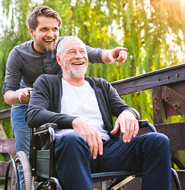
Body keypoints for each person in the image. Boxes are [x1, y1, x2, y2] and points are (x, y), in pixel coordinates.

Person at [25, 36, 172, 190]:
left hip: (106, 150)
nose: (79, 56)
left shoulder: (101, 85)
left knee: (158, 141)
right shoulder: (46, 82)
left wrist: (128, 113)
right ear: (60, 60)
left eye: (82, 52)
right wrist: (74, 121)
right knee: (72, 139)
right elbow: (33, 114)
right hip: (68, 151)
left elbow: (125, 108)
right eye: (71, 52)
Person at [2, 6, 128, 159]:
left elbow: (94, 54)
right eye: (44, 29)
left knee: (60, 151)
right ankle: (29, 181)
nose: (51, 34)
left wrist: (112, 54)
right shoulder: (18, 54)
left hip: (56, 105)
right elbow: (8, 95)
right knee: (28, 159)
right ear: (31, 32)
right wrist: (19, 94)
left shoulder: (65, 46)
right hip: (26, 107)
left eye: (55, 29)